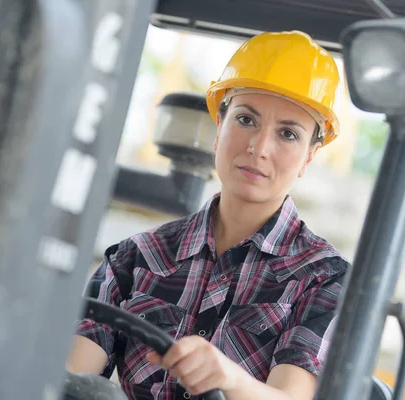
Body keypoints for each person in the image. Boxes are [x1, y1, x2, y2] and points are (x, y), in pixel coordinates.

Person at [66, 30, 350, 400]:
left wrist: (230, 380)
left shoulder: (325, 280)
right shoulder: (133, 259)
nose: (259, 147)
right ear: (219, 127)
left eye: (288, 134)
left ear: (309, 157)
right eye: (246, 119)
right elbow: (68, 380)